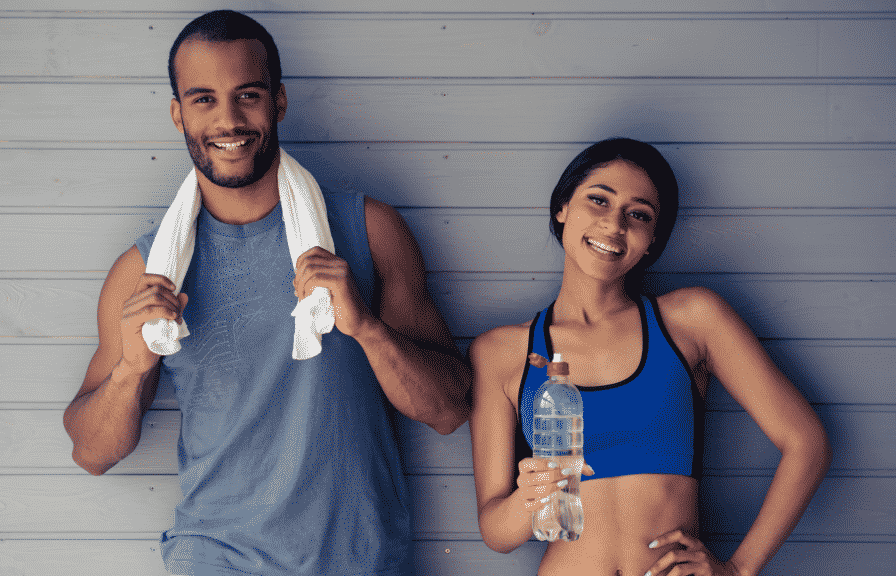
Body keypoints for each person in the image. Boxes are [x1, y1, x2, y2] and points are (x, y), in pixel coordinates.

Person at [62, 10, 470, 575]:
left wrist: (367, 330)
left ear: (278, 101)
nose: (228, 120)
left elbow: (449, 411)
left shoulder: (368, 231)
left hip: (356, 561)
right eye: (203, 99)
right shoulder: (146, 271)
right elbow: (91, 452)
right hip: (215, 558)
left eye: (247, 95)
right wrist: (131, 370)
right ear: (178, 114)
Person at [469, 138, 831, 576]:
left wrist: (739, 569)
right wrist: (527, 499)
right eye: (598, 200)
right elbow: (495, 530)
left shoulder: (692, 320)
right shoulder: (501, 353)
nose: (614, 224)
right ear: (562, 207)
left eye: (638, 214)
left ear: (651, 240)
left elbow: (807, 442)